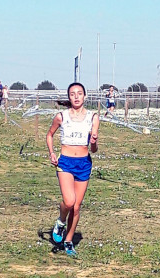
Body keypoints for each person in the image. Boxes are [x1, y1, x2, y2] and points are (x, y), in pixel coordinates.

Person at [46, 82, 100, 256]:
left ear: (85, 96)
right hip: (65, 163)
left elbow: (94, 149)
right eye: (72, 94)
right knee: (68, 202)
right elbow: (50, 134)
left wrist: (94, 142)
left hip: (84, 163)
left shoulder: (93, 117)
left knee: (76, 207)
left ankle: (68, 240)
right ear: (69, 97)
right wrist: (51, 153)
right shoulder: (62, 116)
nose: (76, 97)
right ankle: (61, 221)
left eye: (79, 93)